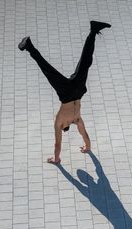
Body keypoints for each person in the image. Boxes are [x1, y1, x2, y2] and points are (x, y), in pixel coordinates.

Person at [18, 21, 111, 164]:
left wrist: (87, 147)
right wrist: (57, 158)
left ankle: (93, 31)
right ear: (63, 127)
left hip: (77, 92)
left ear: (69, 126)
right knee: (49, 70)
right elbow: (58, 144)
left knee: (85, 63)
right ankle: (29, 46)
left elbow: (84, 135)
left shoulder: (77, 119)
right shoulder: (60, 122)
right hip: (67, 94)